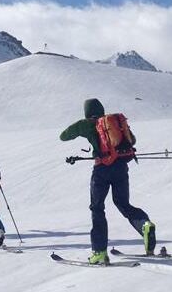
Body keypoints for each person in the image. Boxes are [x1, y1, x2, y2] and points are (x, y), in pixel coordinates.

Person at [60, 98, 156, 264]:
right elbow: (132, 141)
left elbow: (63, 136)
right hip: (120, 167)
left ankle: (99, 252)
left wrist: (85, 127)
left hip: (101, 171)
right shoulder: (114, 123)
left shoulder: (88, 124)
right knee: (123, 204)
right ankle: (144, 225)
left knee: (97, 208)